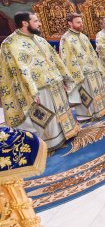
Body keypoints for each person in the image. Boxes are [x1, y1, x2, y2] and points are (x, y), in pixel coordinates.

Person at [0, 11, 79, 150]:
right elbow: (17, 70)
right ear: (25, 23)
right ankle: (51, 143)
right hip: (38, 89)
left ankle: (68, 133)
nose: (40, 23)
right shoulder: (10, 43)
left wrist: (64, 78)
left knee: (60, 113)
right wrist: (31, 92)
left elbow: (54, 58)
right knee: (46, 119)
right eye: (36, 21)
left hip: (54, 84)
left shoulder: (39, 39)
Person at [60, 13, 105, 121]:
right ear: (70, 23)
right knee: (86, 95)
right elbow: (67, 59)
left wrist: (98, 66)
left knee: (97, 91)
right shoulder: (66, 39)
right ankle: (88, 115)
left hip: (93, 70)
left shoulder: (83, 36)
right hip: (81, 74)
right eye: (78, 22)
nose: (81, 24)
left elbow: (92, 52)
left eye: (81, 22)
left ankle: (101, 110)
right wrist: (77, 74)